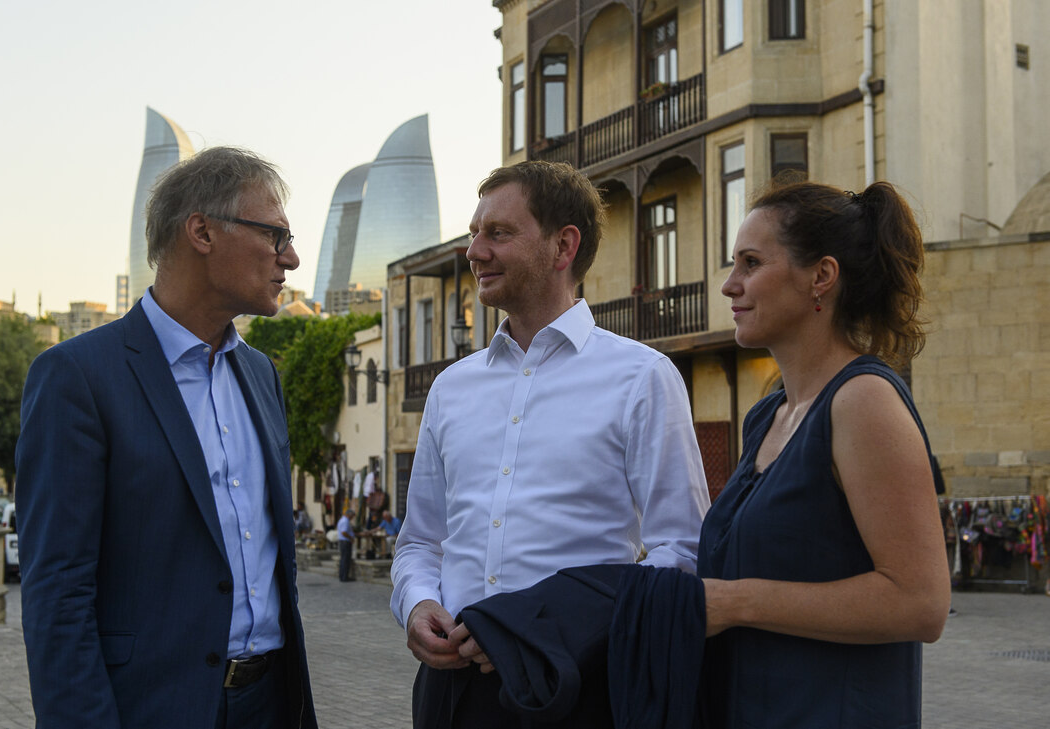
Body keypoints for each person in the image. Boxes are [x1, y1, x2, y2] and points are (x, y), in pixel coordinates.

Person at [390, 160, 710, 728]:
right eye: (473, 232)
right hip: (449, 694)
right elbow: (420, 541)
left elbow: (681, 552)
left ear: (563, 246)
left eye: (499, 233)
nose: (475, 251)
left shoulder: (642, 377)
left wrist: (551, 627)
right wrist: (415, 604)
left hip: (573, 686)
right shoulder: (450, 388)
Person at [15, 147, 318, 729]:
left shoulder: (261, 375)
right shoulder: (78, 377)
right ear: (202, 231)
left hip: (272, 703)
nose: (293, 258)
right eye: (275, 235)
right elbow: (57, 594)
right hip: (152, 708)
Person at [698, 179, 952, 727]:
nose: (729, 285)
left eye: (750, 263)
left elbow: (920, 602)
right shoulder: (768, 414)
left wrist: (736, 602)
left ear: (822, 276)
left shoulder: (863, 401)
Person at [336, 508, 357, 582]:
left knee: (343, 559)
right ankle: (344, 577)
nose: (352, 518)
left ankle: (342, 576)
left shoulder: (342, 520)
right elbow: (344, 532)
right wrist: (351, 538)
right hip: (345, 542)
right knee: (345, 560)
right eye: (352, 516)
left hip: (342, 541)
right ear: (349, 515)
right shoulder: (345, 521)